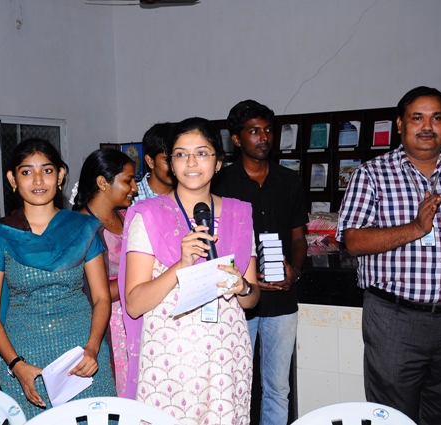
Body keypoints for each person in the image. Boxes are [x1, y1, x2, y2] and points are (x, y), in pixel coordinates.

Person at [336, 86, 441, 425]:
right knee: (392, 418)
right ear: (400, 124)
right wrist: (416, 228)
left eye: (436, 118)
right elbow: (353, 240)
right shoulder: (372, 174)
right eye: (417, 118)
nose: (427, 126)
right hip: (394, 320)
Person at [119, 117, 260, 424]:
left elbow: (251, 300)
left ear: (218, 162)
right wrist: (180, 265)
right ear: (171, 164)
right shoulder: (148, 216)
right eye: (181, 154)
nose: (191, 162)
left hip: (226, 358)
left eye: (202, 153)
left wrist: (243, 287)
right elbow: (134, 304)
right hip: (170, 362)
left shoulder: (239, 214)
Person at [0, 138, 116, 418]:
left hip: (82, 354)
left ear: (61, 175)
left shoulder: (82, 229)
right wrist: (16, 365)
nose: (38, 180)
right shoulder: (0, 235)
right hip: (25, 357)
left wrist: (92, 348)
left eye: (47, 170)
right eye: (27, 172)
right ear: (12, 179)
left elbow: (102, 298)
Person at [212, 100, 308, 425]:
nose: (263, 137)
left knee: (278, 388)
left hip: (282, 300)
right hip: (238, 302)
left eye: (267, 130)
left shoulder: (289, 181)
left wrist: (295, 272)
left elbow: (299, 238)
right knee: (236, 386)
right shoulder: (221, 184)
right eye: (254, 131)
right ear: (236, 139)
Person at [71, 148, 138, 397]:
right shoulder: (79, 228)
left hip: (136, 313)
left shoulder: (130, 218)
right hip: (107, 324)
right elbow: (89, 292)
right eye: (128, 180)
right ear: (102, 182)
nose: (135, 188)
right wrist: (140, 280)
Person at [133, 122, 175, 202]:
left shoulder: (189, 195)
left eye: (179, 157)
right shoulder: (130, 197)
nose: (174, 166)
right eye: (167, 160)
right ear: (150, 161)